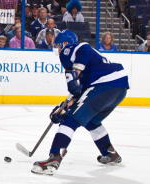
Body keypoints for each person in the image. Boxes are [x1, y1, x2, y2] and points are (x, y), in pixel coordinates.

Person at [31, 29, 129, 175]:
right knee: (91, 120)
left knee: (71, 119)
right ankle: (109, 153)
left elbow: (84, 47)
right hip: (118, 87)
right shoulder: (88, 65)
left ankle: (55, 157)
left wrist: (76, 71)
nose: (58, 51)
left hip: (104, 85)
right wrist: (62, 108)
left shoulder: (71, 49)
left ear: (64, 43)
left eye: (58, 46)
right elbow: (78, 93)